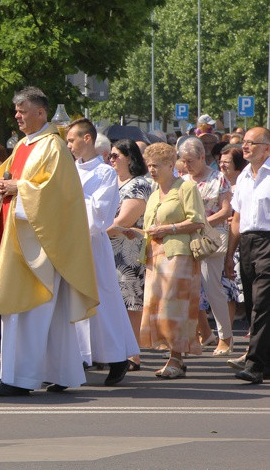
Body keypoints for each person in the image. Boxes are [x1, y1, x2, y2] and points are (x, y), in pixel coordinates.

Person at [0, 87, 99, 396]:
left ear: (41, 113)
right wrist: (2, 187)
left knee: (30, 309)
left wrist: (17, 187)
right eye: (16, 110)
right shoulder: (22, 145)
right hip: (15, 236)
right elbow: (2, 182)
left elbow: (58, 194)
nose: (17, 115)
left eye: (23, 110)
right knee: (39, 312)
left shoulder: (54, 147)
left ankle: (21, 379)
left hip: (41, 242)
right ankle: (62, 373)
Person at [66, 119, 139, 386]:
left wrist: (71, 198)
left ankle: (117, 357)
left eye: (72, 140)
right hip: (66, 246)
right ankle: (73, 360)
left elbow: (98, 215)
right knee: (69, 303)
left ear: (87, 139)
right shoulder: (67, 170)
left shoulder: (105, 173)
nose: (69, 145)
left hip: (91, 245)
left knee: (101, 303)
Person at [135, 142, 206, 379]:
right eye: (149, 166)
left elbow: (197, 220)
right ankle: (173, 358)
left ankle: (176, 358)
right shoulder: (154, 193)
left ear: (169, 165)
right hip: (155, 255)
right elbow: (150, 226)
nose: (151, 170)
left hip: (179, 254)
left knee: (175, 307)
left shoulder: (185, 187)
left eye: (156, 165)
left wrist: (169, 228)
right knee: (159, 308)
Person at [178, 137, 234, 355]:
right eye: (183, 160)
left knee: (212, 289)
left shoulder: (218, 178)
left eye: (190, 160)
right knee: (187, 290)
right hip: (186, 239)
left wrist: (201, 222)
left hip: (210, 241)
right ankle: (196, 336)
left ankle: (226, 338)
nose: (187, 165)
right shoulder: (181, 180)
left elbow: (225, 210)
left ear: (202, 157)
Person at [226, 128, 270, 383]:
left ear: (266, 148)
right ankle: (265, 362)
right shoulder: (244, 176)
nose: (245, 147)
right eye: (244, 142)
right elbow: (237, 218)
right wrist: (230, 254)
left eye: (251, 143)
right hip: (248, 244)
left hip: (268, 241)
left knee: (262, 305)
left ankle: (254, 364)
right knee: (254, 303)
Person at [106, 138, 152, 371]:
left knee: (131, 304)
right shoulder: (111, 182)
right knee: (113, 304)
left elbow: (124, 221)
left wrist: (93, 233)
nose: (111, 160)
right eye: (110, 156)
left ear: (130, 158)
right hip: (108, 249)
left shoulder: (139, 184)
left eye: (116, 156)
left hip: (128, 250)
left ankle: (133, 355)